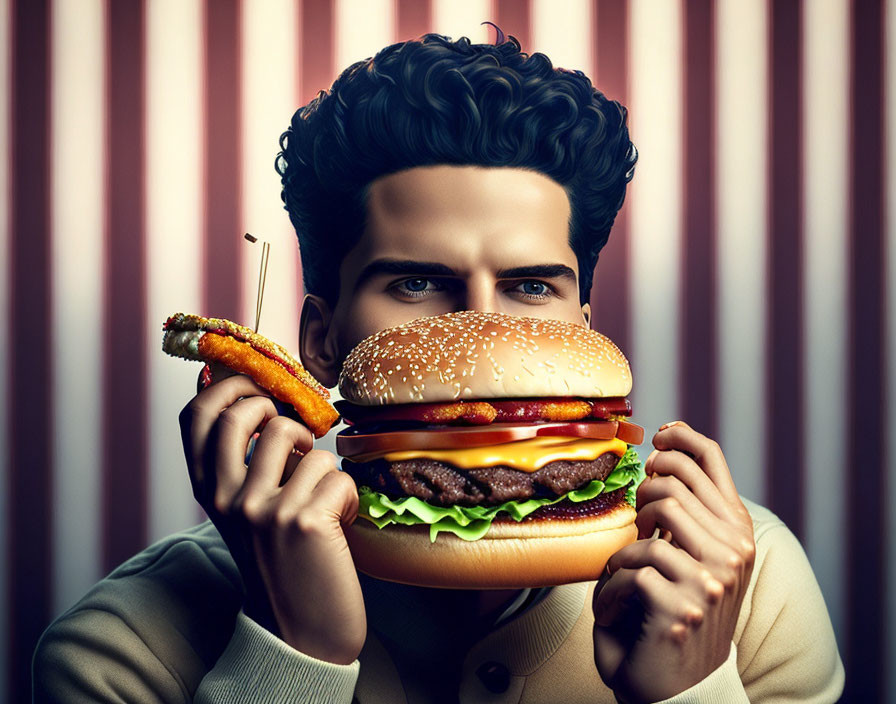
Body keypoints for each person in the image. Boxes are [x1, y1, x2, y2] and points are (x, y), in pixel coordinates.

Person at [33, 33, 843, 703]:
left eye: (530, 286)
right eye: (415, 282)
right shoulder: (123, 649)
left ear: (583, 331)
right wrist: (291, 659)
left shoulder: (746, 586)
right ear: (320, 338)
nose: (484, 330)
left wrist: (694, 691)